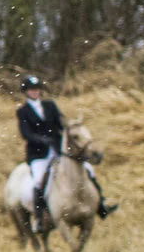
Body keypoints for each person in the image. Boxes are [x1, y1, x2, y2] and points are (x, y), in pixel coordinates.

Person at [18, 75, 117, 230]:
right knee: (39, 181)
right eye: (32, 89)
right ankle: (40, 218)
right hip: (38, 154)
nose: (35, 92)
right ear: (26, 92)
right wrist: (42, 139)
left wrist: (71, 127)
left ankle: (101, 205)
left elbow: (60, 122)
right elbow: (26, 133)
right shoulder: (23, 111)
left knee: (89, 170)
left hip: (60, 150)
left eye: (37, 89)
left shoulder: (49, 105)